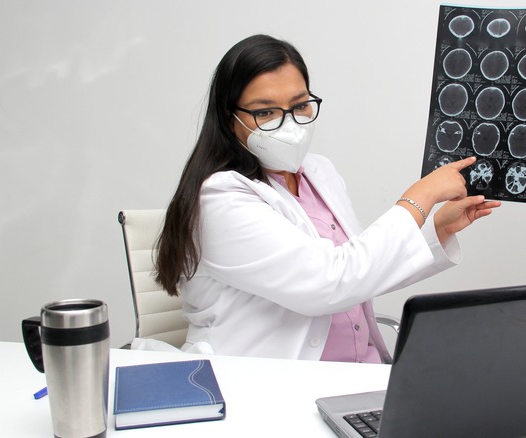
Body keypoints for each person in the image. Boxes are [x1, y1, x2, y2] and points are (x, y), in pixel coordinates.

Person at [153, 34, 501, 362]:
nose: (289, 124)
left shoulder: (320, 172)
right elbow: (328, 283)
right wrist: (420, 197)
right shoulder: (219, 199)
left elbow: (362, 272)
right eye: (265, 112)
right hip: (269, 382)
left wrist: (435, 229)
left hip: (357, 371)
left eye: (300, 105)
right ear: (230, 120)